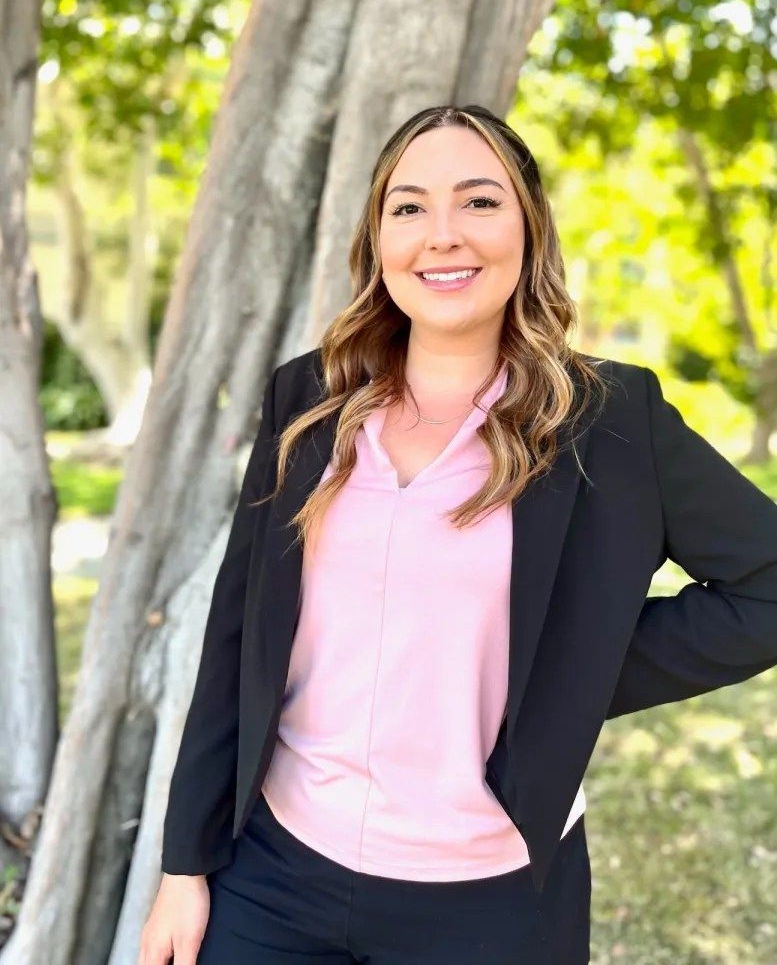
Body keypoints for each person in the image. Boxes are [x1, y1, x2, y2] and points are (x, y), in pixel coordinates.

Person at [138, 105, 777, 965]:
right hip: (274, 873)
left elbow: (764, 588)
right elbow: (236, 636)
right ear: (377, 239)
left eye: (478, 202)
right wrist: (186, 865)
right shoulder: (306, 401)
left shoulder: (613, 420)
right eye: (408, 208)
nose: (442, 235)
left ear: (528, 228)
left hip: (492, 903)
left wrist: (567, 671)